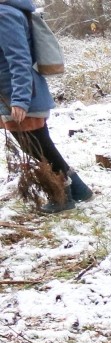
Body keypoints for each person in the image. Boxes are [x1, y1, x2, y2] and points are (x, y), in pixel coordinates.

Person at [1, 0, 90, 214]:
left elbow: (20, 59)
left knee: (36, 147)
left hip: (20, 93)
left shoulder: (4, 14)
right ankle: (79, 189)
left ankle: (61, 196)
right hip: (12, 92)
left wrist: (20, 99)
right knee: (39, 144)